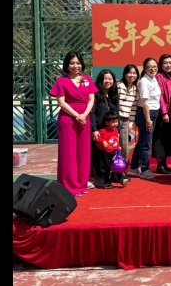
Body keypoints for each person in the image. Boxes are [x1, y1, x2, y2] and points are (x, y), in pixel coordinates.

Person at [48, 51, 97, 197]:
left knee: (83, 151)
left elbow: (91, 99)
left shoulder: (87, 79)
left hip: (84, 119)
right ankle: (69, 186)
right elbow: (61, 103)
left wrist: (84, 115)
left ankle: (81, 183)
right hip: (68, 119)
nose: (75, 66)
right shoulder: (61, 81)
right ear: (67, 65)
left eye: (78, 63)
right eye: (72, 63)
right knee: (68, 152)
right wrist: (77, 116)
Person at [90, 69, 128, 188]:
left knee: (113, 154)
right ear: (100, 80)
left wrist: (118, 130)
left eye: (110, 79)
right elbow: (92, 112)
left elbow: (117, 114)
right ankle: (100, 178)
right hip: (100, 131)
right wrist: (94, 129)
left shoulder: (114, 95)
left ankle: (117, 175)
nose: (108, 81)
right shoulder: (95, 94)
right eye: (105, 78)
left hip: (112, 131)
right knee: (101, 156)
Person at [128, 58, 161, 180]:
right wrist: (148, 119)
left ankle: (134, 167)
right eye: (149, 67)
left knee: (143, 140)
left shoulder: (154, 79)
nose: (153, 69)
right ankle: (144, 168)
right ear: (145, 68)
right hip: (146, 113)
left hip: (153, 112)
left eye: (154, 66)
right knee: (146, 143)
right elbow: (145, 102)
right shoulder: (144, 81)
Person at [151, 54, 171, 175]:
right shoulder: (159, 77)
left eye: (170, 63)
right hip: (163, 114)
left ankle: (165, 165)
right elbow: (160, 96)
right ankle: (160, 165)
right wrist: (164, 112)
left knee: (167, 139)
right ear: (161, 65)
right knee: (160, 140)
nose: (168, 65)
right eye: (165, 63)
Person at [93, 110, 130, 188]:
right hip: (104, 152)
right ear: (107, 123)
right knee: (106, 168)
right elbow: (97, 138)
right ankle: (107, 182)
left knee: (116, 166)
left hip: (114, 152)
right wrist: (103, 141)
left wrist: (118, 146)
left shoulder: (116, 130)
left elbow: (116, 140)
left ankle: (122, 179)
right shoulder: (103, 131)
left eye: (116, 121)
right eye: (113, 122)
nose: (115, 124)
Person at [116, 64, 139, 164]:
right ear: (125, 74)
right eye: (130, 73)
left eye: (134, 73)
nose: (132, 75)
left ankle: (122, 167)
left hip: (126, 120)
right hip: (115, 119)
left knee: (124, 145)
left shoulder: (135, 89)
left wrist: (130, 123)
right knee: (112, 142)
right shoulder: (118, 86)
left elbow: (133, 108)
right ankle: (111, 167)